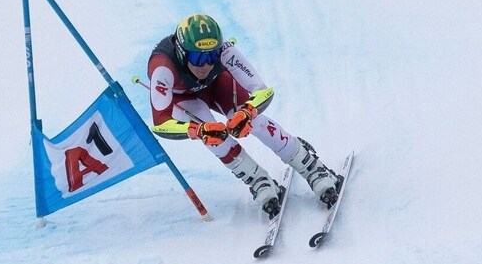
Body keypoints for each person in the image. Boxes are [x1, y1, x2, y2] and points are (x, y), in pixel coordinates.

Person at [146, 14, 341, 219]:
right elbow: (160, 123)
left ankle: (311, 166)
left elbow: (262, 91)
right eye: (198, 58)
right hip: (183, 99)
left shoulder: (225, 51)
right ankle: (257, 178)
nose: (206, 65)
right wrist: (196, 131)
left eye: (212, 56)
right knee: (214, 136)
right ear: (181, 52)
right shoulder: (162, 67)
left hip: (216, 86)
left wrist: (247, 111)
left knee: (254, 121)